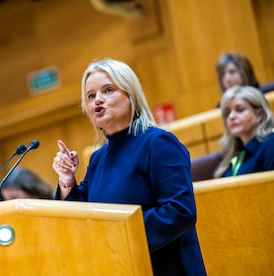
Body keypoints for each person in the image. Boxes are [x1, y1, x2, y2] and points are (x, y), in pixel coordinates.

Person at [52, 58, 206, 275]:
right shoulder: (97, 159)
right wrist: (67, 180)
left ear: (131, 94)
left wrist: (118, 234)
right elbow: (80, 219)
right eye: (91, 96)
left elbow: (180, 212)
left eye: (108, 90)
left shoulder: (158, 143)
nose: (98, 100)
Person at [213, 86, 274, 177]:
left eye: (240, 110)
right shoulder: (234, 154)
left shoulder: (270, 144)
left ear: (259, 115)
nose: (231, 116)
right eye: (227, 112)